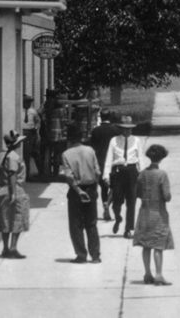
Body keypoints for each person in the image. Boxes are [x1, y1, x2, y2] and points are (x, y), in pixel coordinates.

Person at [59, 124, 102, 263]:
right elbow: (97, 172)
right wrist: (94, 188)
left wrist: (78, 190)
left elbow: (69, 177)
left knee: (76, 224)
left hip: (76, 191)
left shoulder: (66, 154)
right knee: (91, 223)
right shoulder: (90, 150)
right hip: (91, 188)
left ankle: (81, 255)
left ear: (69, 138)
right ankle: (95, 255)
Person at [134, 144, 173, 285]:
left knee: (146, 245)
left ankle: (147, 273)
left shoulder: (142, 174)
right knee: (158, 244)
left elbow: (137, 193)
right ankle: (158, 274)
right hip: (158, 212)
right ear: (162, 157)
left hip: (144, 211)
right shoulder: (162, 174)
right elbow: (167, 196)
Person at [103, 115, 144, 237]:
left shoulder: (136, 140)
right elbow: (109, 158)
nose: (127, 131)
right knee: (116, 201)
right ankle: (118, 218)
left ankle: (129, 229)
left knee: (131, 201)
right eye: (125, 129)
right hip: (118, 172)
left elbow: (140, 158)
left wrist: (142, 174)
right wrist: (106, 175)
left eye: (129, 129)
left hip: (132, 172)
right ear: (121, 129)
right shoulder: (114, 140)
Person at [0, 130, 30, 259]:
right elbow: (12, 174)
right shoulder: (13, 157)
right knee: (17, 218)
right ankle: (13, 247)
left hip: (2, 189)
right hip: (14, 189)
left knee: (5, 220)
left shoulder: (1, 155)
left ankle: (5, 248)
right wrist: (13, 193)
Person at [87, 111, 121, 221]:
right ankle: (108, 203)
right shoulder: (115, 130)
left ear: (101, 118)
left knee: (103, 187)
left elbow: (92, 147)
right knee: (115, 186)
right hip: (112, 161)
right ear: (110, 117)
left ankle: (105, 203)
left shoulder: (95, 131)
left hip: (99, 161)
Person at [20, 94, 42, 178]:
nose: (28, 104)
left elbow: (38, 121)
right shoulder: (19, 110)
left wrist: (36, 128)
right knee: (25, 154)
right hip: (23, 132)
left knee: (35, 153)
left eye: (29, 102)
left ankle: (40, 172)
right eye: (26, 102)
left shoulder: (33, 111)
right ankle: (26, 174)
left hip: (31, 132)